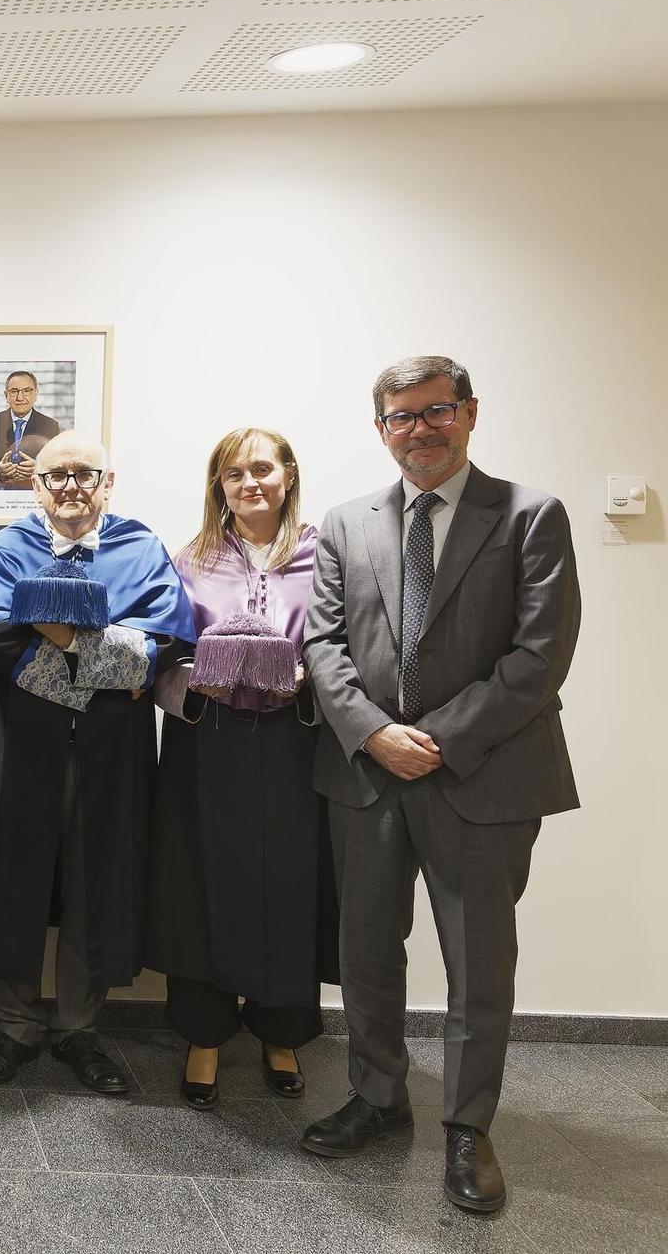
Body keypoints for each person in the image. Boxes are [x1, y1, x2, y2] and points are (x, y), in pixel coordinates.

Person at [300, 356, 580, 1213]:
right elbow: (323, 644)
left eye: (436, 411)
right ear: (379, 427)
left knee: (478, 961)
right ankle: (379, 1096)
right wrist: (376, 733)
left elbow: (540, 656)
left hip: (485, 777)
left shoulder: (530, 516)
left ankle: (467, 1126)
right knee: (367, 951)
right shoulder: (345, 523)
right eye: (401, 416)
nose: (420, 429)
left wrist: (438, 739)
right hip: (368, 776)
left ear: (469, 413)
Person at [0, 433, 192, 1092]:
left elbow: (156, 652)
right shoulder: (7, 549)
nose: (71, 486)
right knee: (13, 869)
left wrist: (60, 632)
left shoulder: (141, 546)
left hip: (113, 744)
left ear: (110, 481)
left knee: (95, 876)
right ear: (35, 485)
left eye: (85, 473)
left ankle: (81, 1028)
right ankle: (14, 1024)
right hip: (19, 733)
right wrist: (106, 658)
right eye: (56, 476)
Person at [146, 428, 336, 1111]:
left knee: (289, 882)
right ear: (217, 484)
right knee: (201, 881)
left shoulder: (327, 554)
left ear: (289, 473)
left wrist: (304, 679)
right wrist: (200, 683)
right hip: (210, 739)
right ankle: (204, 1033)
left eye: (262, 468)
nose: (249, 482)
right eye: (234, 473)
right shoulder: (189, 558)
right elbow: (160, 656)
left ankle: (280, 1029)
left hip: (295, 739)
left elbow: (348, 650)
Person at [0, 371, 61, 491]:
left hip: (32, 491)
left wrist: (38, 468)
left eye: (27, 391)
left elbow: (56, 466)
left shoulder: (51, 425)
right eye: (14, 391)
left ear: (36, 394)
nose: (20, 398)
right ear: (6, 395)